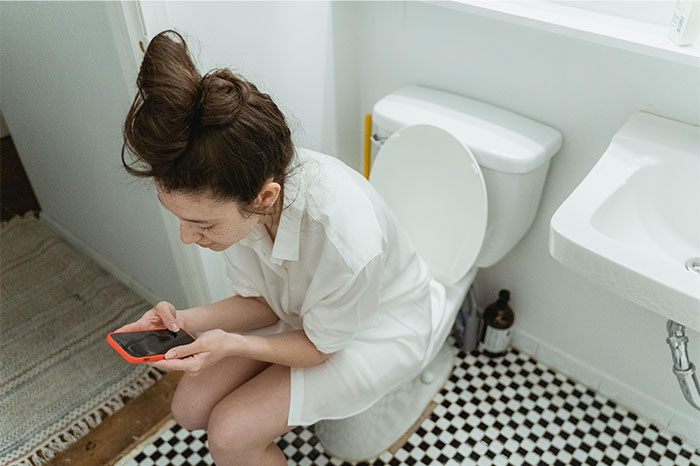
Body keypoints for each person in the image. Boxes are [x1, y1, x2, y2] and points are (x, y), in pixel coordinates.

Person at [118, 29, 446, 466]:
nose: (187, 237)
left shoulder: (346, 238)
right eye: (179, 218)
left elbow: (320, 347)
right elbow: (263, 302)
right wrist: (184, 320)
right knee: (189, 409)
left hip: (375, 331)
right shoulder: (239, 176)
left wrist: (233, 346)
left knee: (230, 436)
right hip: (306, 315)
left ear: (265, 198)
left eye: (201, 224)